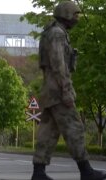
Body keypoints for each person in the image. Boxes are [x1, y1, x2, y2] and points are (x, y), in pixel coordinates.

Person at [31, 1, 106, 180]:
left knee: (47, 133)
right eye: (75, 14)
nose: (77, 18)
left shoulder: (51, 32)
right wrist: (66, 90)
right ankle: (86, 171)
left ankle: (38, 173)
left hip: (49, 90)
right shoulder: (57, 34)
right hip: (58, 90)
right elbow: (59, 65)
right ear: (66, 14)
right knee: (75, 129)